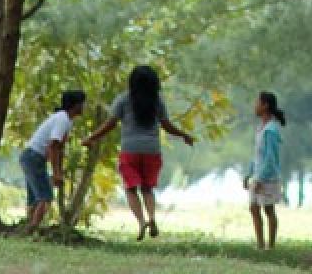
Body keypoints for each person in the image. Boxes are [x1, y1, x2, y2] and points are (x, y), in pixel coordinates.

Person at [83, 65, 195, 240]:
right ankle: (152, 217)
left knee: (130, 189)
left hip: (130, 151)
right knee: (147, 188)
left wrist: (91, 138)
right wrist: (184, 135)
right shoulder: (157, 101)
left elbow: (109, 125)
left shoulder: (123, 100)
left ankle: (141, 222)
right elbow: (167, 126)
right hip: (152, 151)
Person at [19, 89, 86, 233]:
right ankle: (32, 230)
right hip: (34, 156)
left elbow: (59, 149)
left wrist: (59, 172)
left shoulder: (65, 120)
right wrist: (56, 173)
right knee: (45, 197)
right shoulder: (63, 119)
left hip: (30, 156)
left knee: (35, 198)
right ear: (75, 105)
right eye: (82, 104)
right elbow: (53, 146)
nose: (83, 107)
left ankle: (29, 227)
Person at [243, 91, 286, 250]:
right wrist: (249, 174)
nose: (255, 106)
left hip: (268, 177)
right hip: (257, 175)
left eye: (257, 103)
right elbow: (257, 155)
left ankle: (271, 246)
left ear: (265, 105)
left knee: (268, 210)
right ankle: (260, 245)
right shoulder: (261, 128)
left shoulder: (271, 130)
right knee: (253, 208)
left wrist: (260, 178)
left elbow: (270, 157)